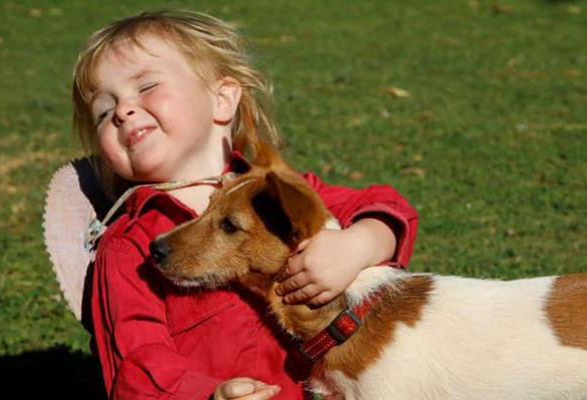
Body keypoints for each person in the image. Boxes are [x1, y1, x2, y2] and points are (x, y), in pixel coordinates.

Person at [71, 10, 418, 400]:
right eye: (104, 111)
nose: (122, 111)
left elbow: (384, 205)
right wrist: (208, 395)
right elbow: (135, 363)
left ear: (221, 99)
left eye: (147, 85)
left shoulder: (272, 192)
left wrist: (361, 243)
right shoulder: (128, 249)